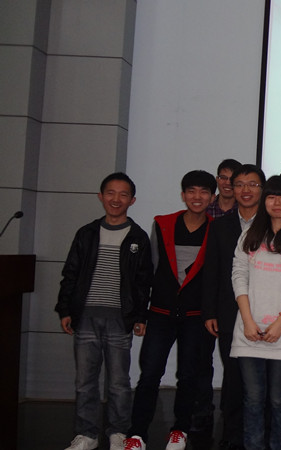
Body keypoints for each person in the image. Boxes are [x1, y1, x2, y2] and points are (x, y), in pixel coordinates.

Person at [57, 173, 153, 450]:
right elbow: (71, 274)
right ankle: (86, 434)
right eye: (110, 193)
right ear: (101, 196)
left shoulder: (138, 237)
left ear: (132, 200)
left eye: (123, 194)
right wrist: (65, 309)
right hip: (85, 317)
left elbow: (143, 281)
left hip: (120, 320)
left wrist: (141, 316)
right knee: (84, 381)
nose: (116, 199)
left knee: (119, 383)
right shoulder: (86, 233)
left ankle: (118, 432)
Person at [124, 170, 217, 450]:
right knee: (150, 374)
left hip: (195, 317)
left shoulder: (218, 229)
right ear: (183, 194)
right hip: (161, 313)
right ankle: (137, 434)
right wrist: (141, 313)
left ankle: (180, 430)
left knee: (188, 376)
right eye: (191, 191)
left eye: (203, 191)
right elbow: (148, 271)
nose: (197, 197)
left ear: (212, 197)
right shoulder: (163, 224)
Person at [231, 175, 281, 450]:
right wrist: (247, 320)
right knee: (253, 399)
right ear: (264, 200)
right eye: (271, 197)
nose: (277, 203)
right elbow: (238, 275)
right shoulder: (250, 233)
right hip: (248, 329)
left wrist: (280, 322)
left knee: (280, 398)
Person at [200, 164, 266, 449]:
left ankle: (261, 436)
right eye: (239, 184)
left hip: (267, 312)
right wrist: (210, 312)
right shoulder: (220, 226)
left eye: (252, 184)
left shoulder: (275, 223)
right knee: (234, 376)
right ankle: (232, 435)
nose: (245, 190)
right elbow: (212, 271)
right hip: (229, 313)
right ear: (231, 188)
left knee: (263, 379)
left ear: (262, 189)